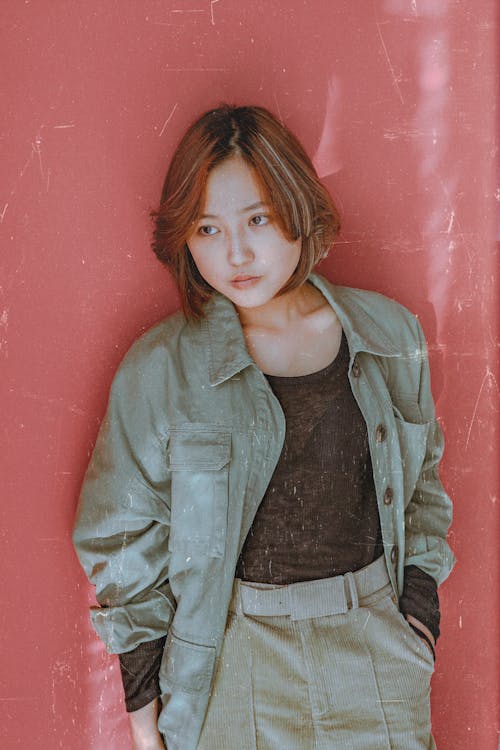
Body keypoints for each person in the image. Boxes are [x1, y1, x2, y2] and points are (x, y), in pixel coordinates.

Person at [73, 105, 455, 750]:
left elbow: (422, 489)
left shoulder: (389, 336)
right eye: (208, 228)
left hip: (374, 653)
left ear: (298, 209)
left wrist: (416, 616)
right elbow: (120, 545)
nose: (237, 253)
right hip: (231, 664)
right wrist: (146, 724)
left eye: (257, 219)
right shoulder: (160, 370)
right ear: (185, 239)